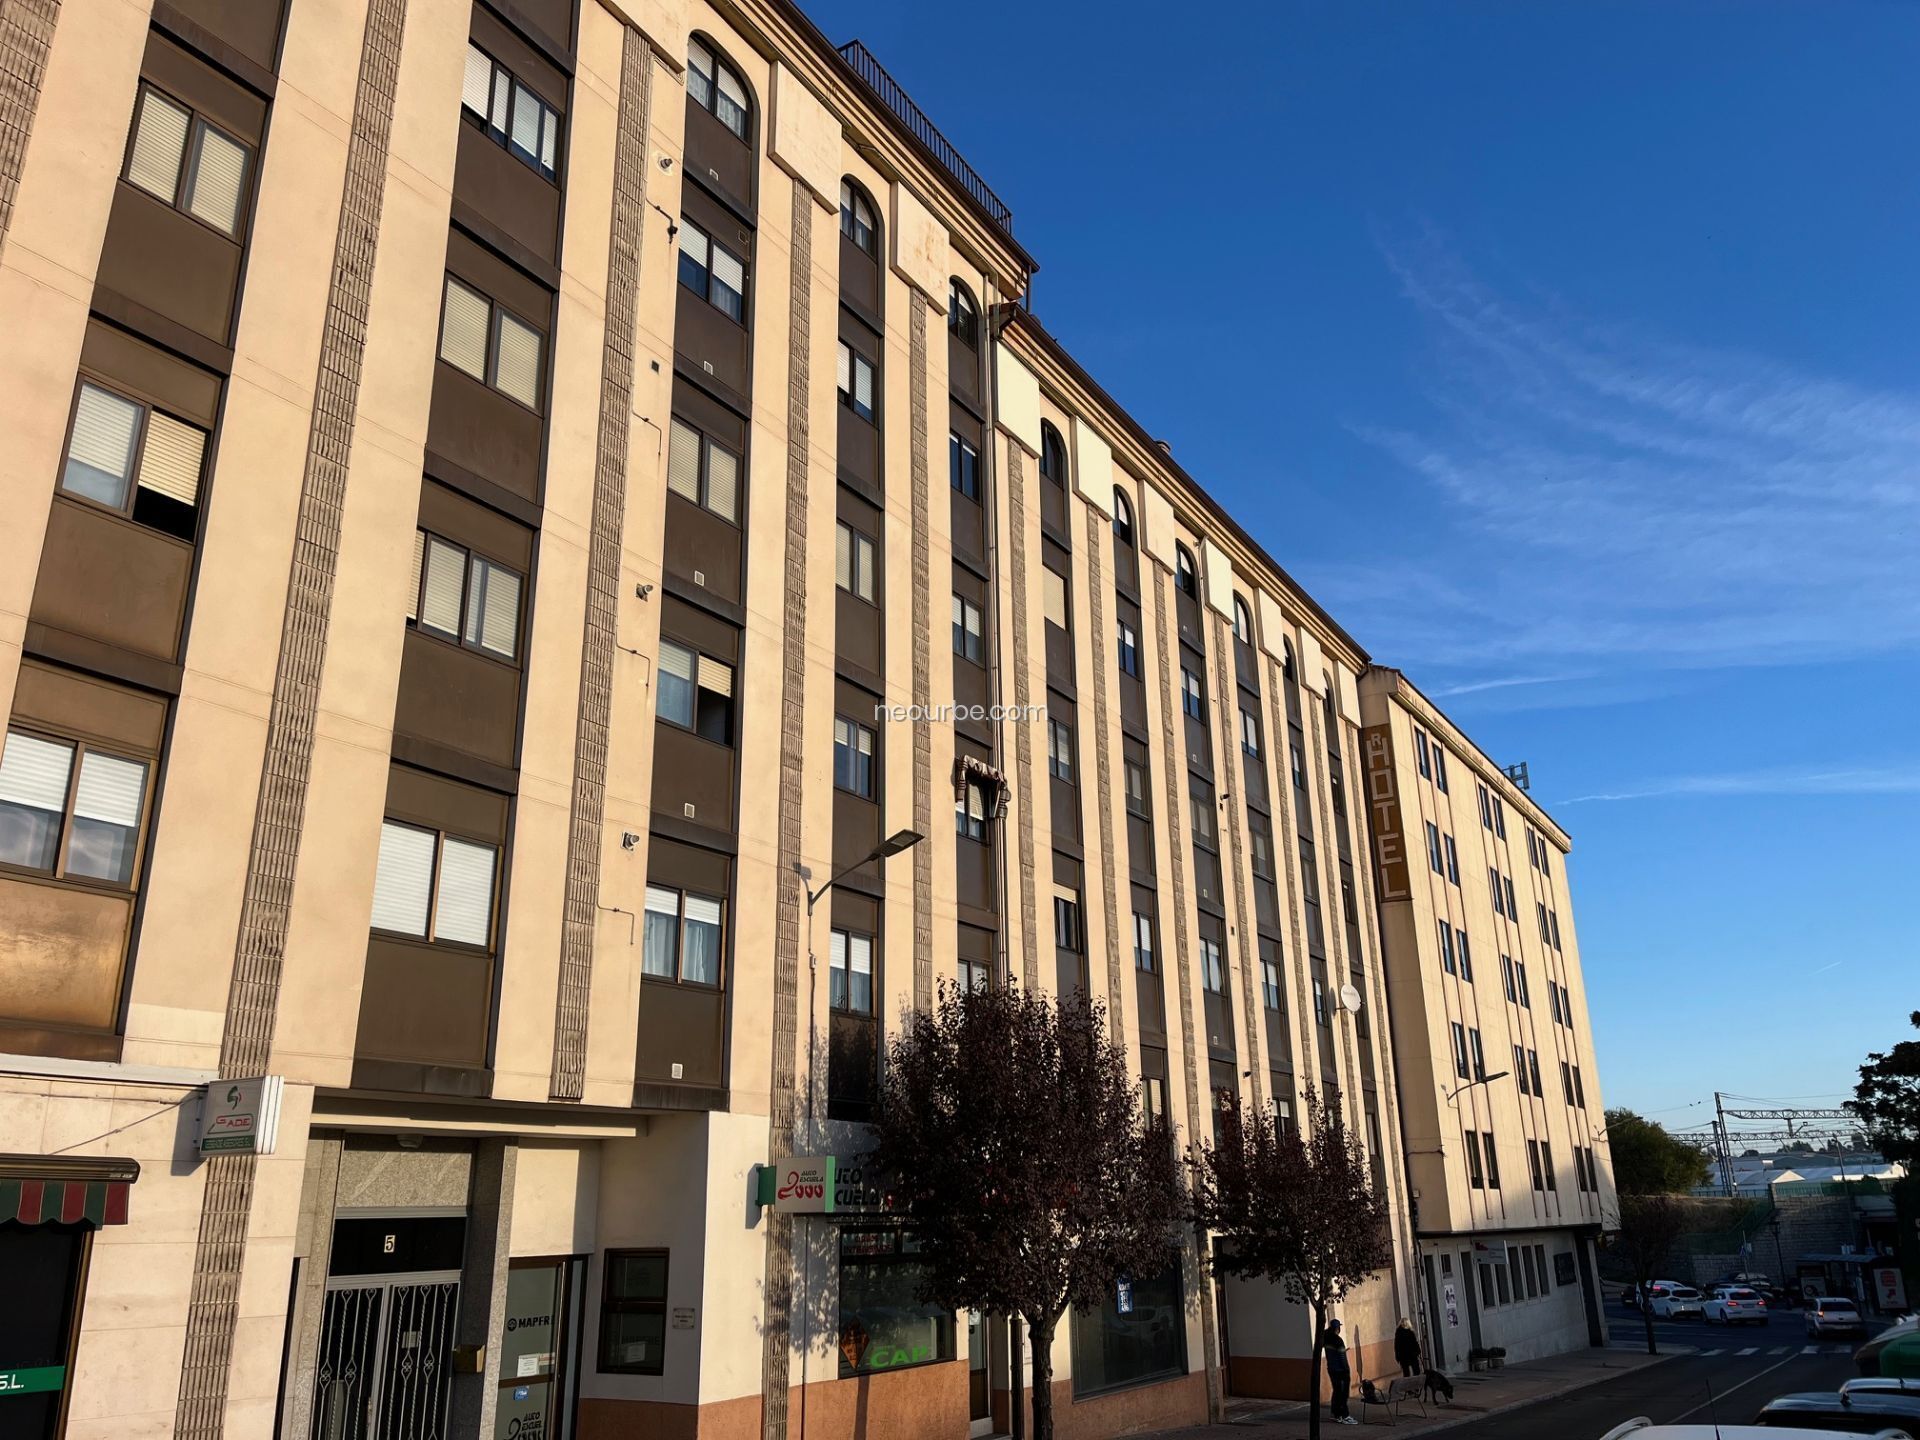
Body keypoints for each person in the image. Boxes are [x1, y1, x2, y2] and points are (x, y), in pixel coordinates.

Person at [1322, 1316, 1355, 1425]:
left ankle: (1335, 1414)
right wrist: (1346, 1369)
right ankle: (1344, 1415)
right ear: (1337, 1328)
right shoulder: (1338, 1340)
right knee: (1343, 1393)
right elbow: (1341, 1357)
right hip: (1341, 1370)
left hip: (1331, 1368)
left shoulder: (1325, 1338)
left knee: (1336, 1391)